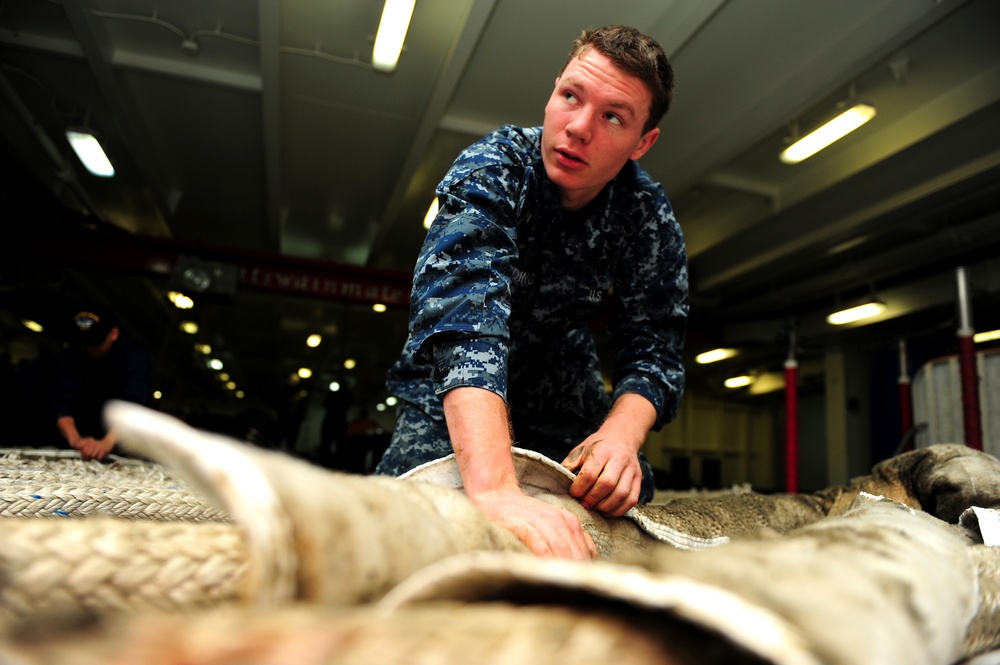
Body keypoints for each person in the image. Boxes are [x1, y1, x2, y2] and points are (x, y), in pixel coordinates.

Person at [377, 25, 687, 560]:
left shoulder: (646, 214)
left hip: (560, 376)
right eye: (571, 96)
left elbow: (654, 345)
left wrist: (619, 439)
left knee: (626, 508)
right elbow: (463, 324)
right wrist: (496, 489)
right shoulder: (495, 169)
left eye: (613, 116)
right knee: (407, 510)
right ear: (553, 91)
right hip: (455, 382)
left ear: (643, 143)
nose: (579, 127)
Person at [52, 307, 153, 461]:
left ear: (113, 334)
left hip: (122, 439)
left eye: (95, 343)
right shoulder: (72, 354)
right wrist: (76, 440)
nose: (89, 348)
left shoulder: (135, 357)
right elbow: (62, 404)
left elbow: (134, 406)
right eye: (84, 343)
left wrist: (107, 442)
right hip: (81, 438)